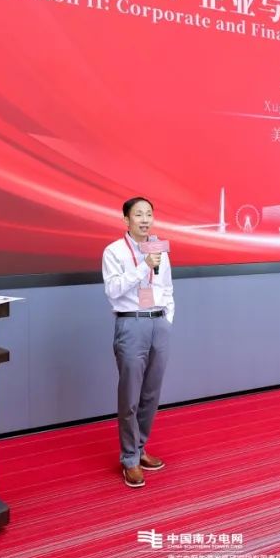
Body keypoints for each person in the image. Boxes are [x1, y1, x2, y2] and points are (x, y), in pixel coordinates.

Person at [102, 197, 174, 488]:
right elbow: (113, 290)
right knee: (130, 395)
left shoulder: (159, 248)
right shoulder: (114, 251)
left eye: (149, 214)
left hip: (158, 323)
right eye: (139, 215)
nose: (145, 220)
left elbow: (166, 286)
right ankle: (129, 459)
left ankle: (141, 448)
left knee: (151, 393)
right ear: (126, 220)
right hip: (131, 323)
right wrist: (143, 266)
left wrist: (167, 318)